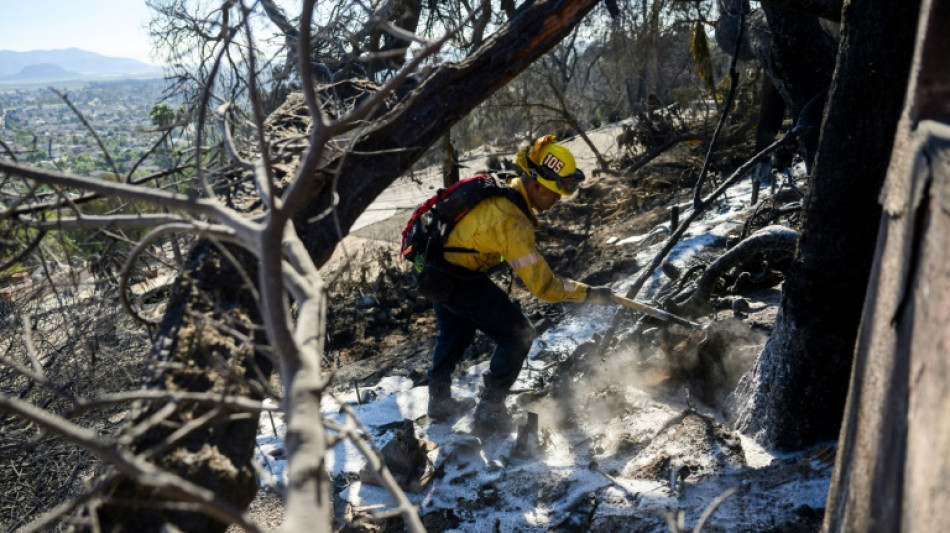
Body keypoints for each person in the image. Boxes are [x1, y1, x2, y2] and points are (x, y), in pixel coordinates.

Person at [422, 135, 615, 435]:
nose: (560, 198)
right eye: (556, 191)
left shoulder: (505, 188)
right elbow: (543, 287)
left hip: (434, 264)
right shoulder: (512, 222)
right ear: (536, 184)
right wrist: (588, 293)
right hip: (452, 276)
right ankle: (488, 412)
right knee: (518, 336)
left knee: (455, 330)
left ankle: (439, 401)